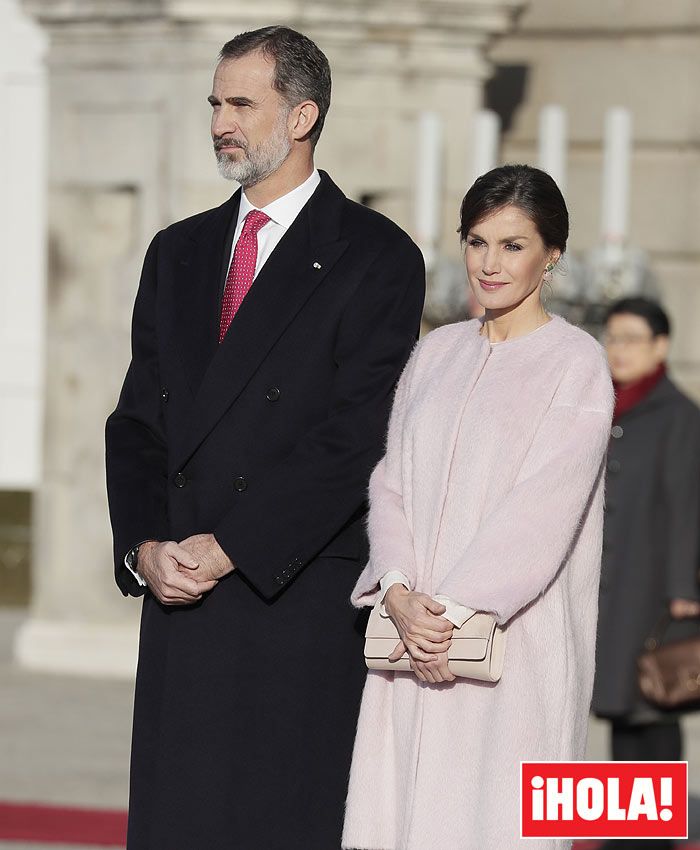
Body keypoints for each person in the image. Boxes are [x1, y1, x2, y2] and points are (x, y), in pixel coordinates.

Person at [104, 26, 425, 850]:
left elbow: (358, 434)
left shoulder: (375, 255)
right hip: (182, 594)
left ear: (304, 114)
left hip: (291, 595)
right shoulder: (176, 251)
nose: (220, 121)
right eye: (215, 102)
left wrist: (233, 544)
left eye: (242, 103)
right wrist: (144, 544)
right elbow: (139, 418)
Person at [342, 164, 614, 850]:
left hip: (512, 650)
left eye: (513, 245)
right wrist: (400, 592)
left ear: (552, 255)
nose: (490, 264)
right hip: (410, 639)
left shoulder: (575, 363)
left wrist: (454, 617)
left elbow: (543, 511)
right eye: (477, 241)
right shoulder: (435, 352)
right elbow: (390, 480)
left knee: (492, 826)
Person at [591, 297, 700, 850]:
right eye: (611, 337)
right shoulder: (607, 408)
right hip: (614, 583)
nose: (619, 349)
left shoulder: (678, 414)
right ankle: (625, 832)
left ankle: (650, 837)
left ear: (660, 346)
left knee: (655, 703)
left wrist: (684, 594)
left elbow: (689, 507)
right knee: (620, 708)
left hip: (657, 592)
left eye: (631, 338)